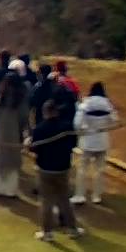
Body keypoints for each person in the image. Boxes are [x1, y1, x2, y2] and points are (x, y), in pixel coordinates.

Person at [29, 102, 85, 242]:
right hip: (63, 168)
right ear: (56, 112)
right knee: (64, 199)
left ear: (45, 112)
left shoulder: (40, 129)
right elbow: (73, 144)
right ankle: (72, 229)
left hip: (45, 169)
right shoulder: (66, 126)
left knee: (46, 201)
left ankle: (47, 232)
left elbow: (34, 149)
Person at [72, 82, 119, 204]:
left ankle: (79, 195)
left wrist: (82, 131)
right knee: (100, 170)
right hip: (102, 140)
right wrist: (105, 127)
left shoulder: (86, 103)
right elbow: (115, 120)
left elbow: (77, 123)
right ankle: (96, 196)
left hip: (88, 140)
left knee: (82, 169)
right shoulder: (107, 104)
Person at [0, 71, 29, 197]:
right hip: (14, 134)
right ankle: (10, 190)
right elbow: (24, 119)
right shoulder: (21, 101)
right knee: (12, 162)